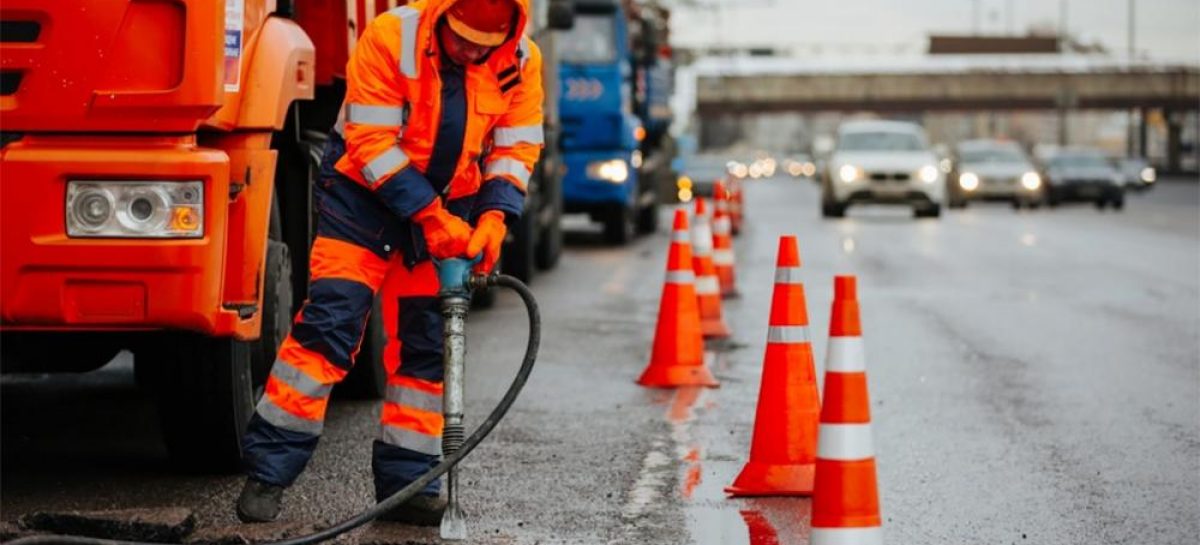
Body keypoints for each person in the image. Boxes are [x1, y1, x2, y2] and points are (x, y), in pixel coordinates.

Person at [235, 0, 543, 525]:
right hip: (362, 201)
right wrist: (430, 216)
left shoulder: (520, 60)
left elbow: (516, 146)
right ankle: (269, 472)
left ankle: (409, 485)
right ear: (442, 16)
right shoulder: (388, 38)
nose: (471, 52)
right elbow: (370, 143)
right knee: (329, 328)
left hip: (450, 204)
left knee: (426, 346)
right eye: (462, 39)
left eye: (482, 46)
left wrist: (495, 217)